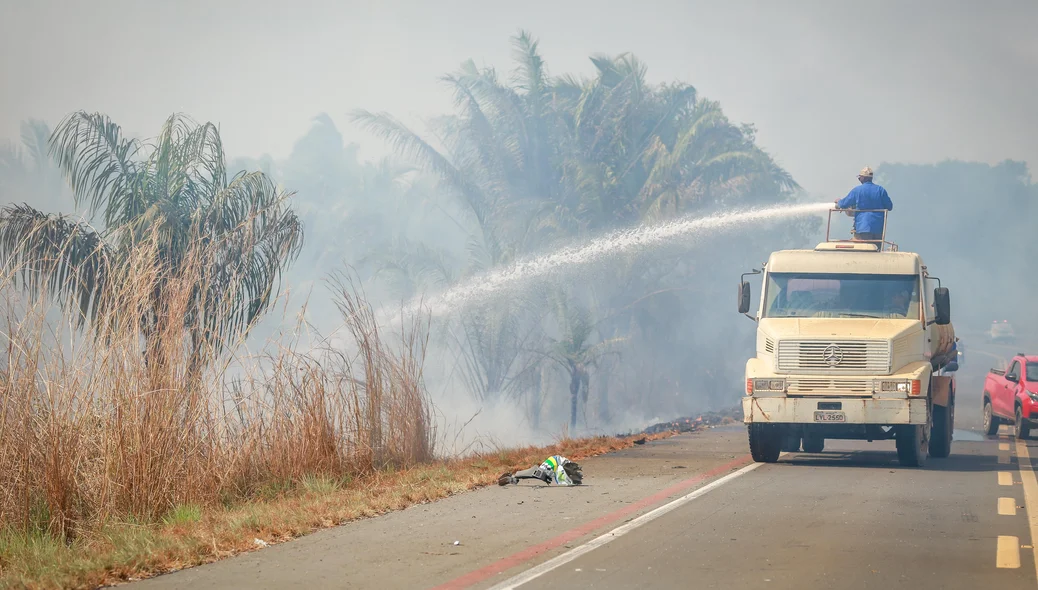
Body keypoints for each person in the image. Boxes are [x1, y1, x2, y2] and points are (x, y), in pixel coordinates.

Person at [835, 166, 893, 242]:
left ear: (864, 178)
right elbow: (889, 206)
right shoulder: (880, 190)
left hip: (863, 226)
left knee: (864, 249)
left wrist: (838, 201)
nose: (859, 179)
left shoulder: (857, 190)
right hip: (878, 227)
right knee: (876, 250)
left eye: (860, 177)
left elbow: (844, 204)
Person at [498, 455, 583, 486]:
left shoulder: (562, 464)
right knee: (538, 473)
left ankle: (512, 478)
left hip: (553, 464)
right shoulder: (549, 469)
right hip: (551, 465)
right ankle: (511, 478)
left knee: (539, 473)